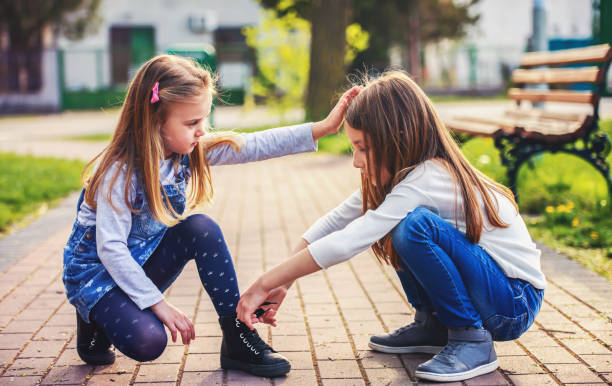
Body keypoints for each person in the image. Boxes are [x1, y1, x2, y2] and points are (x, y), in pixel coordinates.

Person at [236, 70, 546, 382]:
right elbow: (335, 222)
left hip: (514, 302)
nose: (356, 161)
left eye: (363, 148)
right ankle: (434, 326)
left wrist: (263, 283)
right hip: (499, 293)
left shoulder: (427, 177)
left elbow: (348, 241)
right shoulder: (407, 178)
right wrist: (283, 282)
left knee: (412, 228)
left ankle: (470, 339)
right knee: (404, 225)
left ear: (396, 138)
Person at [62, 54, 360, 378]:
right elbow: (111, 249)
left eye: (204, 120)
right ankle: (93, 315)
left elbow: (255, 144)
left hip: (138, 260)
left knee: (200, 227)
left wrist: (324, 128)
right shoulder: (120, 172)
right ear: (154, 121)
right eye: (192, 123)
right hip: (97, 273)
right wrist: (156, 304)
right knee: (149, 341)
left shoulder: (186, 150)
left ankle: (238, 338)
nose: (202, 131)